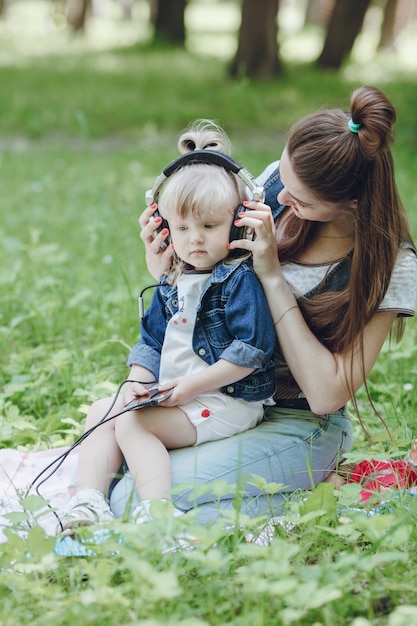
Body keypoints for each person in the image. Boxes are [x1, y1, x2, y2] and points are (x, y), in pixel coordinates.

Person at [109, 87, 417, 524]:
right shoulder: (275, 183)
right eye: (283, 181)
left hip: (299, 423)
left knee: (134, 499)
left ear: (350, 203)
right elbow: (209, 273)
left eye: (302, 201)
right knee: (119, 460)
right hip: (215, 396)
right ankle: (310, 490)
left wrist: (272, 276)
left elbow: (328, 393)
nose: (282, 201)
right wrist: (169, 267)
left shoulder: (391, 266)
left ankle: (320, 489)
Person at [58, 128, 276, 532]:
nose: (195, 239)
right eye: (182, 229)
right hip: (182, 396)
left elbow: (253, 348)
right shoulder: (173, 282)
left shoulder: (238, 280)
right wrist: (134, 384)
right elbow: (152, 343)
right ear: (164, 227)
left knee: (133, 423)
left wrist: (192, 387)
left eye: (210, 226)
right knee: (103, 411)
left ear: (238, 222)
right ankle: (87, 502)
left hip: (226, 399)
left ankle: (157, 514)